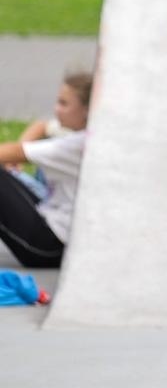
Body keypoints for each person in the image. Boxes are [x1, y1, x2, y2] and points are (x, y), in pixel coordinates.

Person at [0, 73, 92, 269]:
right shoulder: (89, 135)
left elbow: (14, 152)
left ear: (85, 110)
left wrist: (16, 158)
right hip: (57, 232)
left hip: (48, 247)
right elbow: (41, 126)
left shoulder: (77, 145)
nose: (55, 109)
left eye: (63, 104)